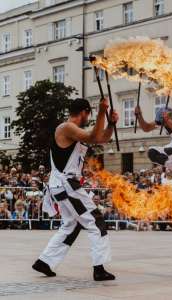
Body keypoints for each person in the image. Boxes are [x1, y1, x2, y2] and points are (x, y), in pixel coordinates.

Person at [32, 98, 118, 281]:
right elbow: (93, 137)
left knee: (71, 225)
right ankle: (99, 269)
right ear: (84, 112)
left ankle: (44, 261)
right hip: (66, 184)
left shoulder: (73, 131)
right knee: (97, 222)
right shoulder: (66, 128)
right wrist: (103, 112)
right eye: (90, 114)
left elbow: (102, 138)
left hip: (63, 184)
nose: (90, 118)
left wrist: (111, 123)